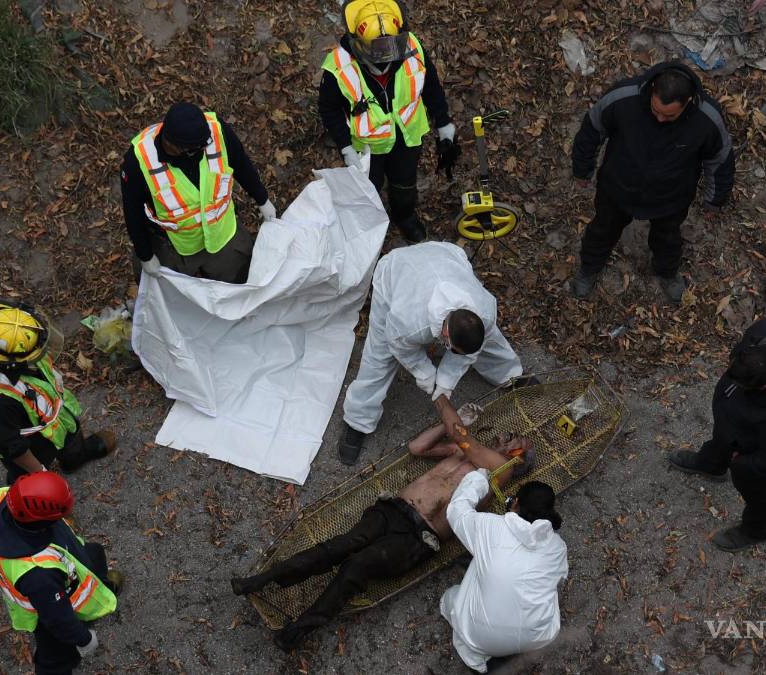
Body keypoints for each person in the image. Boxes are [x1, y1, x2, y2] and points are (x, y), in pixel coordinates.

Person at [231, 396, 534, 651]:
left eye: (517, 440)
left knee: (356, 567)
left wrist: (439, 395)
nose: (510, 436)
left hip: (418, 536)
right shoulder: (463, 451)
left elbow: (461, 435)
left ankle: (298, 630)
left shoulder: (501, 472)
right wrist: (445, 424)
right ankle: (264, 579)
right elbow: (418, 448)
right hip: (393, 508)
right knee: (338, 547)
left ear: (517, 456)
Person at [340, 242, 527, 464]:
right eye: (451, 348)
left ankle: (510, 375)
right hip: (395, 272)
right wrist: (429, 379)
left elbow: (467, 352)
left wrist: (445, 384)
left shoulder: (485, 310)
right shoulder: (409, 323)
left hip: (445, 256)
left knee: (489, 340)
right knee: (379, 357)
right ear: (445, 333)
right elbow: (400, 347)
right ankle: (358, 420)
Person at [569, 61, 735, 303]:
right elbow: (592, 130)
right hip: (617, 188)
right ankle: (589, 269)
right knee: (602, 230)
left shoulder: (707, 119)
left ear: (687, 102)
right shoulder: (623, 97)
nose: (659, 118)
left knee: (668, 238)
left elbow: (720, 161)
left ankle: (667, 273)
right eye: (655, 110)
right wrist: (582, 170)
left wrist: (714, 200)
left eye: (669, 115)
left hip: (671, 197)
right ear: (653, 88)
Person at [668, 317, 766, 551]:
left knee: (759, 487)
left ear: (763, 387)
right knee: (721, 440)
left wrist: (743, 464)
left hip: (754, 447)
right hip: (733, 425)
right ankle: (712, 464)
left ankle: (759, 528)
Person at [319, 0, 459, 243]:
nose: (384, 55)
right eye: (376, 48)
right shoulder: (338, 68)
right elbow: (329, 109)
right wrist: (346, 147)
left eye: (390, 45)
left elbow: (431, 85)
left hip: (406, 137)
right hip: (367, 147)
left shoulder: (413, 48)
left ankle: (404, 216)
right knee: (367, 188)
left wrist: (444, 123)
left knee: (404, 182)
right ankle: (369, 226)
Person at [0, 299, 116, 484]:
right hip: (32, 445)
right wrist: (40, 473)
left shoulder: (24, 346)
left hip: (58, 420)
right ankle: (38, 503)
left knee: (71, 441)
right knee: (27, 481)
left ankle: (75, 459)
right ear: (10, 362)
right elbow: (12, 447)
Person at [121, 102, 276, 284]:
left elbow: (241, 163)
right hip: (175, 244)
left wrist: (262, 199)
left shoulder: (216, 131)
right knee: (169, 293)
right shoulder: (138, 161)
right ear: (176, 147)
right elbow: (133, 211)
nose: (205, 149)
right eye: (197, 149)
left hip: (221, 233)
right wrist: (145, 255)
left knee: (239, 279)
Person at [0, 471, 121, 674]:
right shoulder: (39, 574)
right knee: (56, 657)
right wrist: (84, 639)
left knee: (94, 552)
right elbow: (58, 619)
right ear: (41, 522)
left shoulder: (0, 499)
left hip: (66, 561)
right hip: (47, 612)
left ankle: (104, 585)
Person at [440, 477, 568, 672]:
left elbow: (456, 511)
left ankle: (483, 658)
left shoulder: (490, 526)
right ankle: (514, 642)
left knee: (450, 597)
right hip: (537, 637)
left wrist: (479, 478)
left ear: (515, 503)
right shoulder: (558, 547)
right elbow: (557, 579)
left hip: (481, 637)